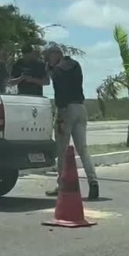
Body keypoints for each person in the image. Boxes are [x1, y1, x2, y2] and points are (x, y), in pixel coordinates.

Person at [43, 44, 99, 200]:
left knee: (61, 149)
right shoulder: (75, 64)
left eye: (48, 57)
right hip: (80, 108)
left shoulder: (58, 70)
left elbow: (60, 91)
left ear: (56, 54)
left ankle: (62, 185)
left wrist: (50, 70)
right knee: (83, 149)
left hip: (66, 109)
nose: (48, 60)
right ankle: (93, 180)